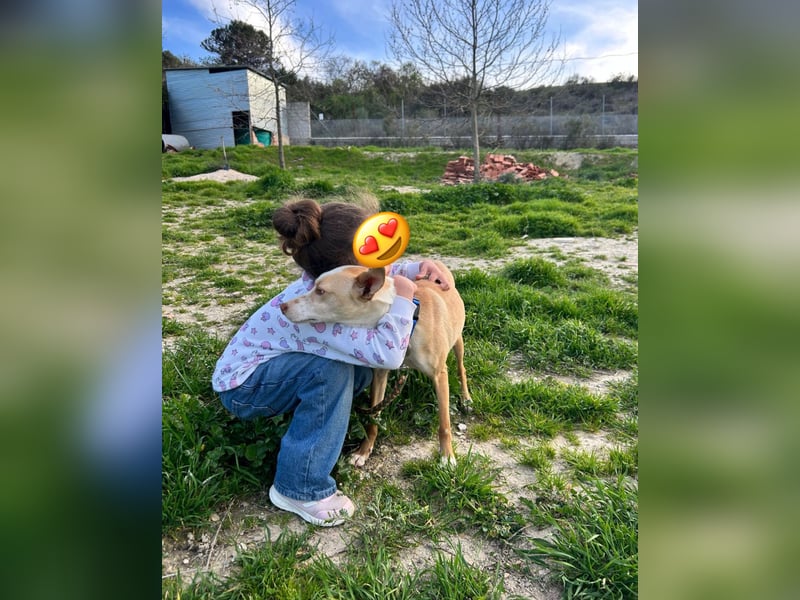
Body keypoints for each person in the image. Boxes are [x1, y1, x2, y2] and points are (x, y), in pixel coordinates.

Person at [212, 197, 449, 527]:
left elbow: (379, 274)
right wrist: (406, 296)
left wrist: (415, 268)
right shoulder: (321, 317)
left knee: (355, 369)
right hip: (244, 387)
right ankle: (300, 487)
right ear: (355, 277)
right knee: (332, 370)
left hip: (268, 371)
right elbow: (391, 355)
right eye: (374, 253)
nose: (384, 260)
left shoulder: (328, 283)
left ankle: (320, 415)